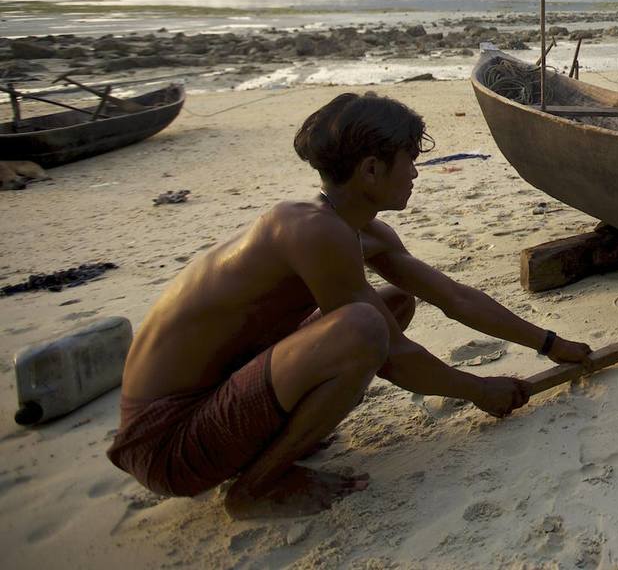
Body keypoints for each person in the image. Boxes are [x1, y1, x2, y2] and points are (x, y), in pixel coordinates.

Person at [107, 92, 592, 519]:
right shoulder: (311, 231)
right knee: (363, 327)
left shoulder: (361, 230)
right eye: (409, 160)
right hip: (169, 443)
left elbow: (454, 297)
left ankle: (276, 443)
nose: (416, 172)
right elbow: (394, 357)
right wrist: (478, 389)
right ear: (372, 170)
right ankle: (255, 488)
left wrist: (550, 344)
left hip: (215, 403)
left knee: (393, 304)